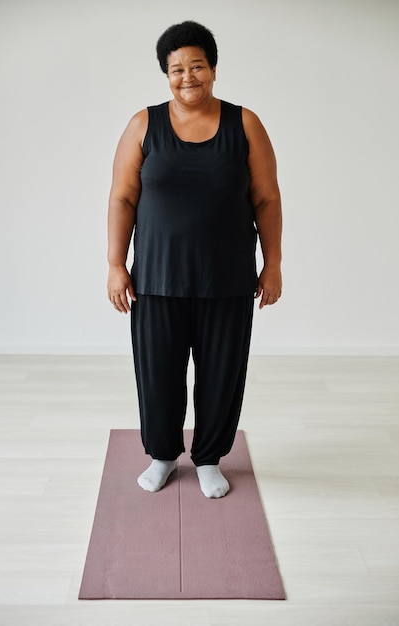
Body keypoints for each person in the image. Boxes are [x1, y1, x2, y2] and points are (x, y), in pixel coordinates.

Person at [107, 21, 282, 498]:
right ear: (166, 75)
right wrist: (116, 264)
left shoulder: (244, 124)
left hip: (226, 281)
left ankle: (208, 457)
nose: (188, 77)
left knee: (222, 374)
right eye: (176, 69)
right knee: (158, 374)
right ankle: (163, 455)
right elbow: (123, 198)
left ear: (214, 69)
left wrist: (273, 264)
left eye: (197, 66)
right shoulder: (144, 124)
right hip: (157, 281)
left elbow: (267, 199)